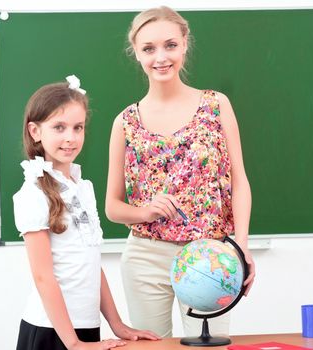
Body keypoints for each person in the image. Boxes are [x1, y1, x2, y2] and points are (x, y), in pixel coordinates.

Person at [105, 7, 256, 338]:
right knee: (152, 346)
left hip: (210, 256)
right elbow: (113, 207)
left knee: (210, 345)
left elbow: (240, 183)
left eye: (170, 45)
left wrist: (241, 247)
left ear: (185, 44)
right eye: (149, 49)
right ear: (137, 53)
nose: (161, 57)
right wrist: (146, 210)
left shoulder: (216, 105)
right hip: (146, 256)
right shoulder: (125, 122)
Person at [13, 76, 160, 350]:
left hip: (85, 329)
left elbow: (91, 262)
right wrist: (74, 343)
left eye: (78, 127)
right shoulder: (33, 193)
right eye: (59, 127)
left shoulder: (82, 188)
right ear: (35, 131)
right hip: (53, 333)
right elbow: (43, 276)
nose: (70, 138)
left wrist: (117, 325)